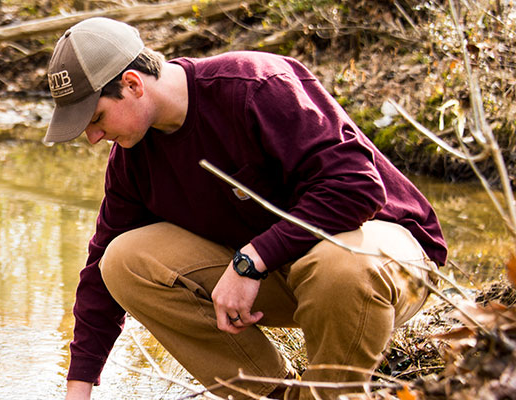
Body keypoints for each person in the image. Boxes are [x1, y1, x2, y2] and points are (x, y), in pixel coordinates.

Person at [43, 17, 448, 400]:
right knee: (122, 262)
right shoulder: (131, 158)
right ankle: (272, 394)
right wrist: (79, 386)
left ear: (132, 84)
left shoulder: (255, 84)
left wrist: (251, 260)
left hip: (381, 258)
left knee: (339, 266)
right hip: (281, 273)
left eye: (96, 118)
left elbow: (356, 187)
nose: (95, 138)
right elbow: (99, 272)